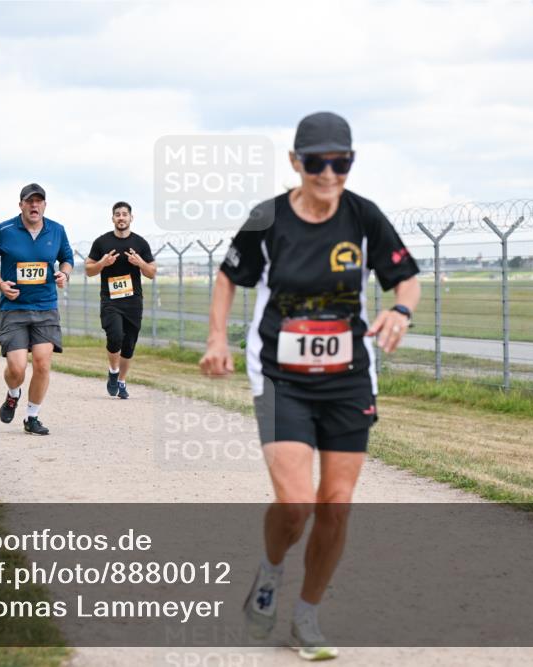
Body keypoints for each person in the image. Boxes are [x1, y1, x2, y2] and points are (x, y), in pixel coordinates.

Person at [199, 112, 421, 661]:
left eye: (339, 162)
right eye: (317, 162)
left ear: (350, 161)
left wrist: (401, 310)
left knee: (337, 505)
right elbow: (229, 276)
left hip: (348, 379)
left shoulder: (364, 217)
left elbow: (406, 277)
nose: (329, 173)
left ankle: (307, 616)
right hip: (279, 375)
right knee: (295, 503)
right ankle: (271, 573)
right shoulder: (268, 219)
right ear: (296, 163)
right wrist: (216, 339)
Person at [0, 183, 73, 435]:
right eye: (29, 201)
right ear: (20, 204)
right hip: (15, 308)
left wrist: (64, 274)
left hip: (45, 307)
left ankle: (32, 417)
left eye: (39, 201)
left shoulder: (57, 230)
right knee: (17, 368)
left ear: (44, 204)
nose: (34, 205)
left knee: (42, 364)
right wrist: (0, 284)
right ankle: (13, 394)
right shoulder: (5, 229)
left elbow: (67, 259)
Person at [85, 201, 157, 399]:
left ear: (131, 218)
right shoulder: (102, 242)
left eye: (125, 214)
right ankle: (113, 372)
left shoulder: (140, 243)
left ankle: (122, 381)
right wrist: (103, 262)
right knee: (115, 335)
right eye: (117, 214)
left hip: (133, 300)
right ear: (113, 218)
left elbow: (151, 273)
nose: (121, 217)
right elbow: (89, 270)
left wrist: (139, 262)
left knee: (129, 344)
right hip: (110, 300)